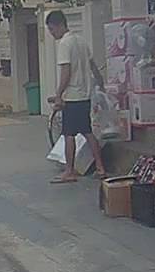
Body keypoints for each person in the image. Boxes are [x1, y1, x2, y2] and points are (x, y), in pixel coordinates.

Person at [46, 10, 108, 182]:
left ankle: (69, 171)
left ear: (60, 25)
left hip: (72, 96)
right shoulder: (81, 41)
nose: (51, 33)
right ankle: (100, 167)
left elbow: (66, 72)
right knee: (87, 132)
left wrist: (58, 94)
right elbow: (93, 66)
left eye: (52, 29)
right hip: (85, 96)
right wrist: (101, 84)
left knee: (69, 134)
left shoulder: (65, 44)